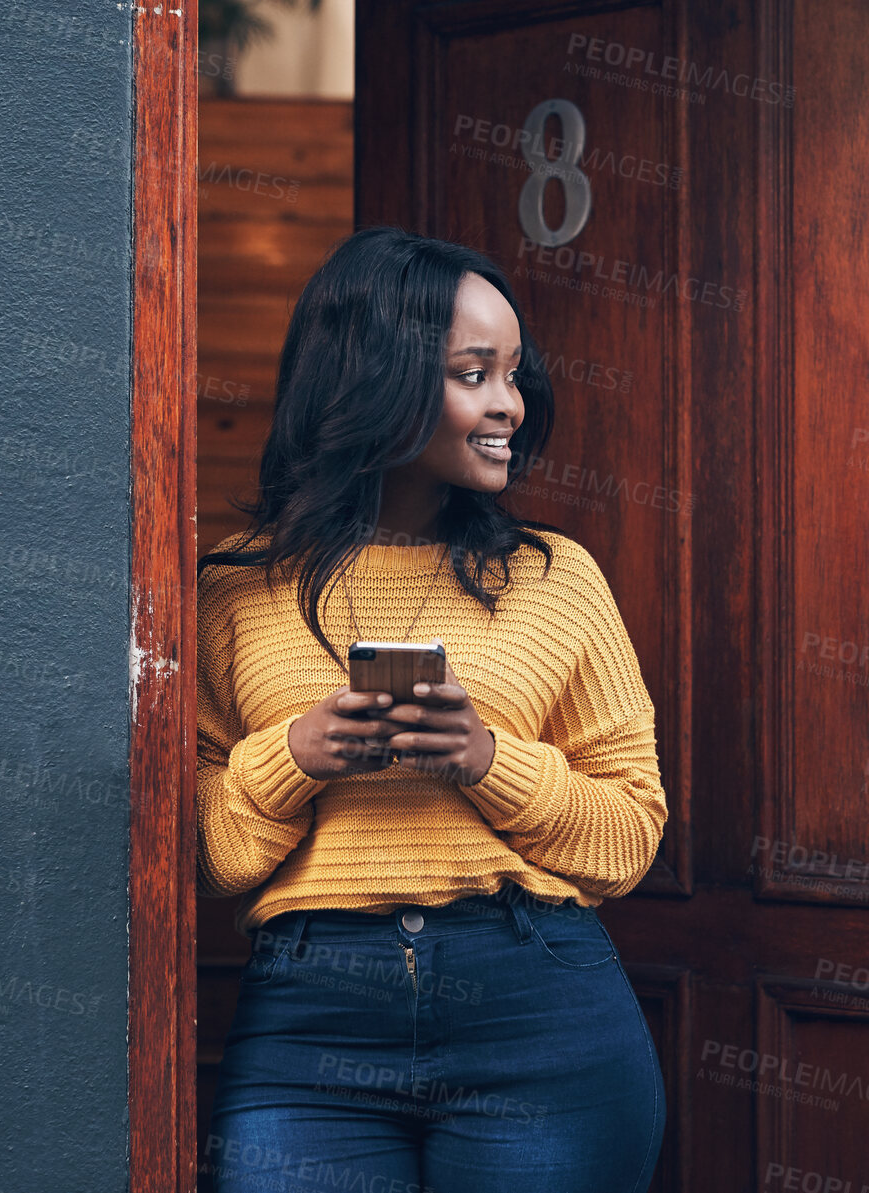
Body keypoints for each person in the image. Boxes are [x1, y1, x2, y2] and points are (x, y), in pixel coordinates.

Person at [195, 225, 668, 1193]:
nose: (509, 404)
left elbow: (628, 836)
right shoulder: (231, 589)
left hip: (534, 1005)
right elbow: (204, 855)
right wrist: (297, 753)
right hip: (309, 1020)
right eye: (473, 372)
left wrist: (487, 759)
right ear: (375, 379)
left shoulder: (555, 577)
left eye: (513, 373)